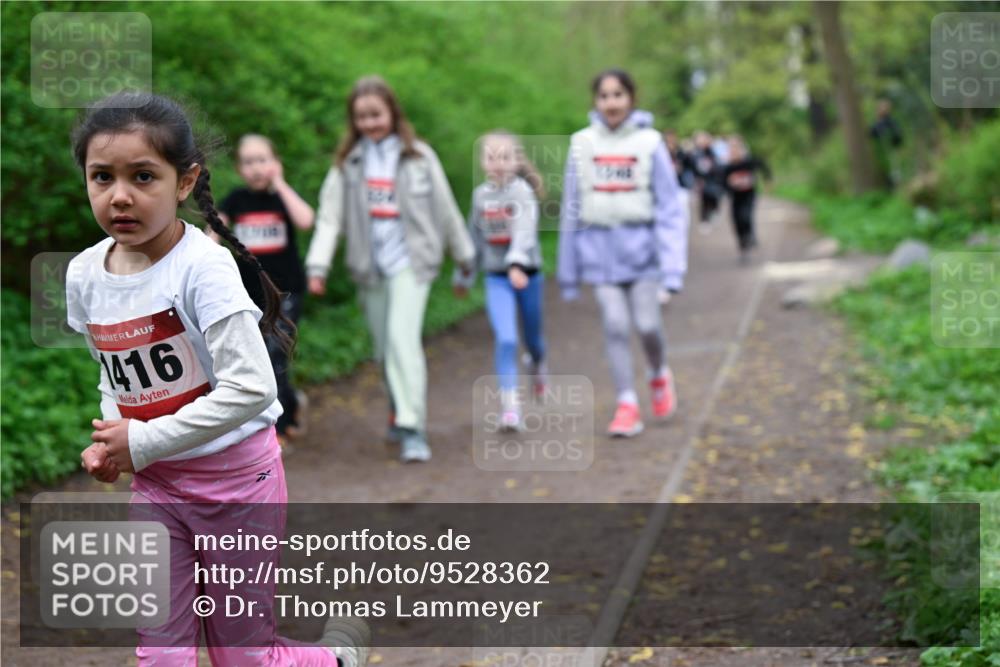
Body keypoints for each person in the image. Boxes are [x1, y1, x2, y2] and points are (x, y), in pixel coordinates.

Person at [68, 93, 367, 666]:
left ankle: (333, 661)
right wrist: (113, 435)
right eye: (101, 177)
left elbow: (254, 388)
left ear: (185, 182)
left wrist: (144, 439)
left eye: (143, 176)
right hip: (156, 487)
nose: (120, 195)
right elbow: (112, 371)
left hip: (236, 489)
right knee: (162, 654)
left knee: (242, 656)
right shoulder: (85, 273)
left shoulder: (203, 268)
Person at [305, 76, 475, 462]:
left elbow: (445, 209)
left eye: (376, 114)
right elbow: (330, 219)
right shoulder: (348, 165)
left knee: (403, 340)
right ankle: (400, 409)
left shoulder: (419, 157)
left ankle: (414, 427)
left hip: (412, 264)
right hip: (370, 268)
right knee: (384, 352)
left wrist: (465, 256)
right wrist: (318, 266)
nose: (370, 123)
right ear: (354, 120)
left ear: (392, 113)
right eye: (361, 117)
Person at [558, 69, 688, 438]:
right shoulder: (580, 144)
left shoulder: (650, 143)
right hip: (598, 257)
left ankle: (658, 372)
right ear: (595, 101)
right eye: (604, 96)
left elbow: (669, 209)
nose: (611, 102)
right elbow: (571, 207)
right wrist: (569, 273)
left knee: (647, 325)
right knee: (614, 326)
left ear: (631, 97)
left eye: (618, 94)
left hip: (643, 256)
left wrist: (672, 268)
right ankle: (627, 403)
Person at [218, 134, 314, 447]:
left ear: (275, 163)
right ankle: (291, 403)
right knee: (257, 358)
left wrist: (282, 184)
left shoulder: (281, 200)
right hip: (247, 295)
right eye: (248, 162)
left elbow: (306, 220)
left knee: (276, 356)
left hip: (286, 293)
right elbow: (211, 239)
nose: (256, 167)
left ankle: (281, 427)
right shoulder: (235, 201)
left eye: (262, 159)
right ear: (239, 168)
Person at [453, 130, 548, 431]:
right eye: (491, 157)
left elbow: (524, 230)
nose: (498, 163)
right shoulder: (480, 196)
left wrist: (518, 262)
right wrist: (464, 276)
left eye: (505, 157)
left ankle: (537, 363)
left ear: (516, 160)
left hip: (527, 275)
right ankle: (511, 408)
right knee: (506, 338)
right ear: (482, 161)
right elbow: (474, 238)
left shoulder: (522, 192)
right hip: (497, 279)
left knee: (533, 340)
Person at [721, 135, 771, 263]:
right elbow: (721, 182)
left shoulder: (748, 162)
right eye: (732, 149)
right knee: (737, 221)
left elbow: (763, 166)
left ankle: (750, 236)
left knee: (746, 216)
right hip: (735, 198)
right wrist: (729, 185)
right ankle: (743, 248)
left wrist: (767, 181)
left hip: (748, 196)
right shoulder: (728, 167)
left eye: (736, 148)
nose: (734, 151)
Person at [691, 130, 723, 231]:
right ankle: (704, 220)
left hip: (713, 180)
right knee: (704, 201)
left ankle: (714, 211)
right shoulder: (695, 153)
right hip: (702, 181)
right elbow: (693, 166)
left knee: (713, 197)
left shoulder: (712, 151)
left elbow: (717, 164)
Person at [869, 98, 903, 189]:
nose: (883, 110)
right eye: (881, 108)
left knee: (894, 174)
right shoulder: (876, 124)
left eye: (885, 108)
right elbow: (871, 136)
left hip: (891, 152)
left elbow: (898, 137)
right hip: (880, 154)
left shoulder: (891, 122)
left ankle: (895, 190)